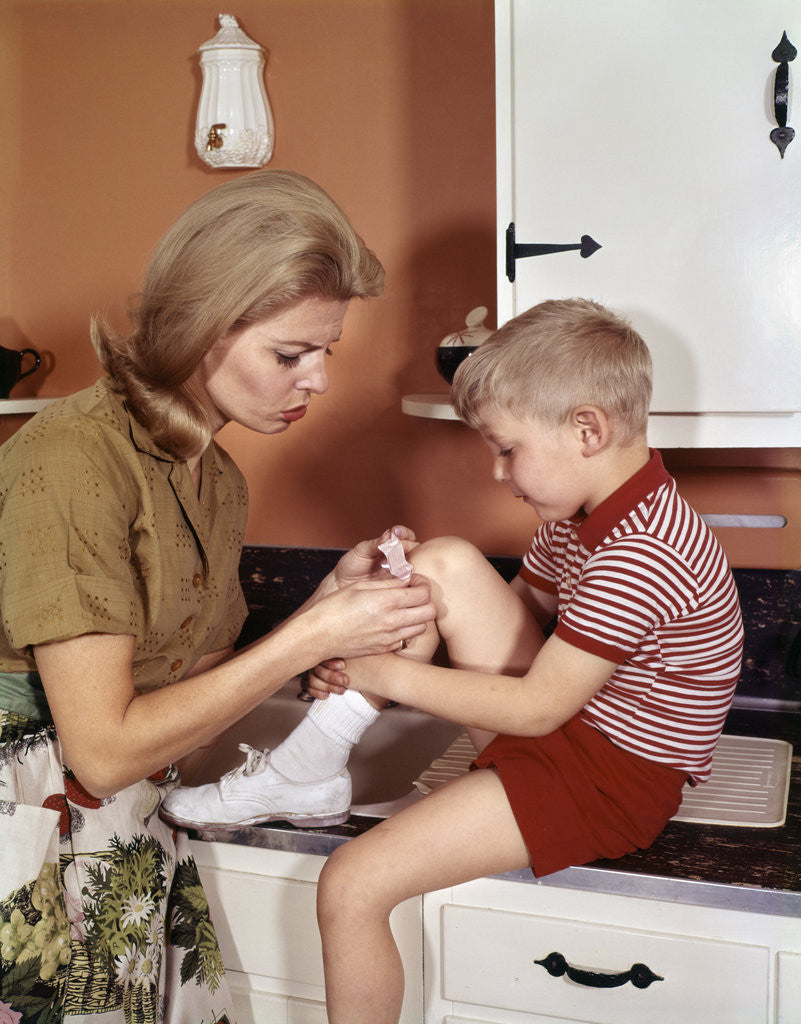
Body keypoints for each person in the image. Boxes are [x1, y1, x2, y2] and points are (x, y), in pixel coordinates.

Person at [0, 169, 435, 1023]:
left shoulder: (216, 475)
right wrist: (307, 641)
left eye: (326, 353)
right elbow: (102, 750)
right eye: (290, 354)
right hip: (27, 858)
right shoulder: (69, 460)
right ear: (201, 328)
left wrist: (319, 612)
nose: (317, 381)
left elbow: (181, 703)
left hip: (125, 846)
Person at [308, 298, 745, 1024]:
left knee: (351, 884)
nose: (496, 471)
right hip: (570, 730)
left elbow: (535, 705)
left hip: (608, 781)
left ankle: (335, 726)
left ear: (586, 429)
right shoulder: (579, 517)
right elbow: (518, 613)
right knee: (443, 558)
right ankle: (328, 736)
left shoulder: (643, 552)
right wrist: (370, 655)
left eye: (506, 448)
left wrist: (378, 672)